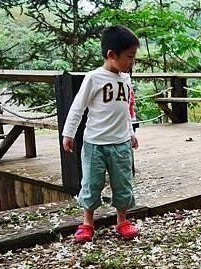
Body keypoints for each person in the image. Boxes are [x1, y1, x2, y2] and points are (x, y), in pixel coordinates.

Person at [62, 25, 140, 243]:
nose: (131, 62)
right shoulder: (93, 78)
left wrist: (131, 131)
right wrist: (69, 133)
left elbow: (127, 108)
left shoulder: (125, 79)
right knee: (91, 183)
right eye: (129, 57)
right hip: (95, 143)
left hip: (121, 142)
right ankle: (87, 223)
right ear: (111, 55)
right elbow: (78, 107)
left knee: (123, 182)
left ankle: (122, 221)